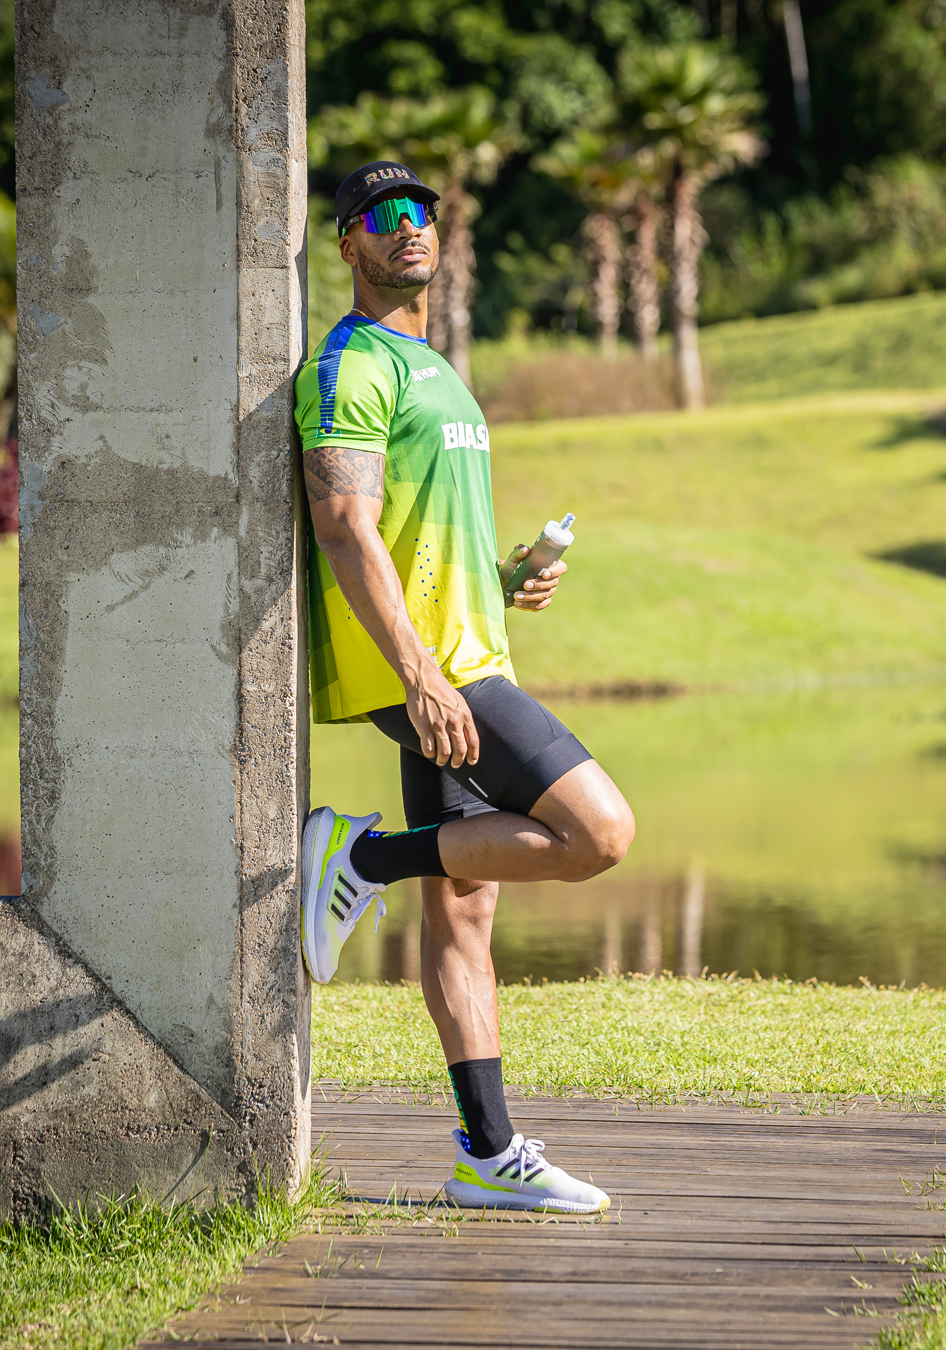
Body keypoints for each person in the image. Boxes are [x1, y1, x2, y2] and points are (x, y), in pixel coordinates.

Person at [294, 160, 636, 1214]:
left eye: (421, 213)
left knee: (469, 911)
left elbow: (416, 540)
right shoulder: (348, 366)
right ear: (347, 243)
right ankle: (359, 856)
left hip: (464, 655)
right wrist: (421, 673)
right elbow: (346, 528)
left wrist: (504, 580)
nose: (409, 229)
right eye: (382, 216)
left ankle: (486, 1153)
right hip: (435, 675)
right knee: (598, 834)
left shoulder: (435, 369)